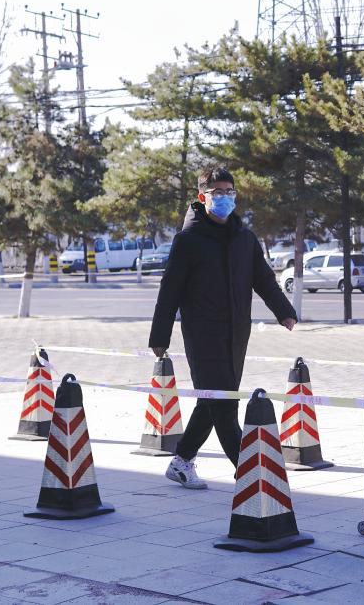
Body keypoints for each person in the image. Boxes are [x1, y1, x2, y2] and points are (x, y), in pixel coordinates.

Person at [150, 167, 298, 489]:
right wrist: (160, 336)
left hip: (237, 334)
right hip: (202, 335)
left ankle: (181, 461)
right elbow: (170, 290)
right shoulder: (188, 241)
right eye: (217, 193)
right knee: (224, 404)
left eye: (229, 192)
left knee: (211, 400)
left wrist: (284, 311)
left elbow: (263, 279)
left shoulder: (244, 238)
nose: (224, 198)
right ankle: (250, 475)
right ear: (202, 197)